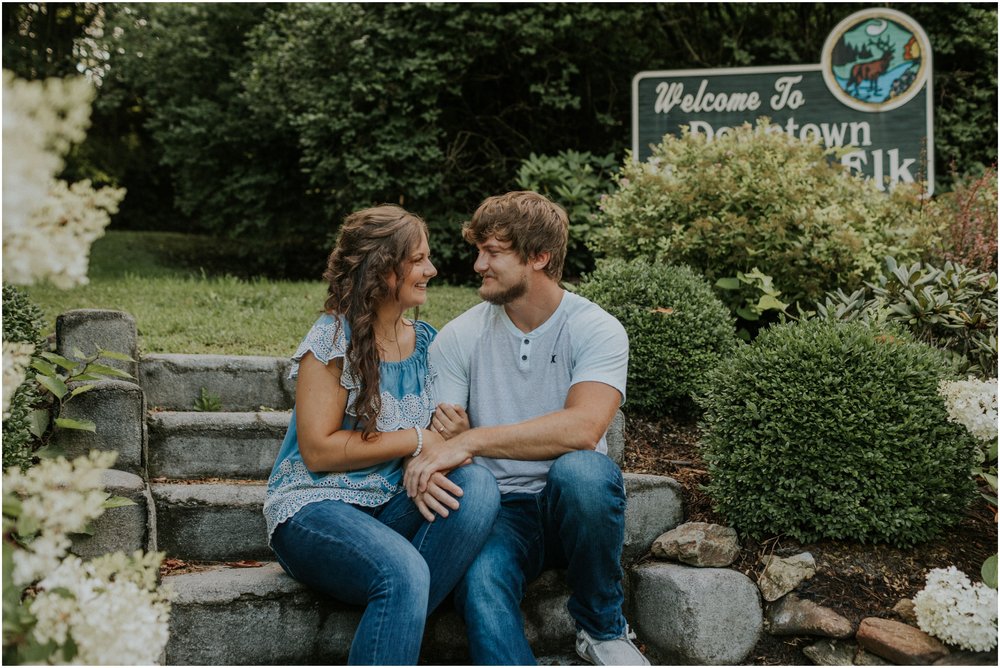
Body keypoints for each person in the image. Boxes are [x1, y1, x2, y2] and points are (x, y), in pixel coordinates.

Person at [407, 191, 649, 666]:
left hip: (574, 507)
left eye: (493, 252)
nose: (478, 264)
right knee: (480, 585)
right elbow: (441, 443)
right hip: (500, 508)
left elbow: (583, 428)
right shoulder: (459, 336)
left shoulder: (596, 328)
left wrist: (473, 437)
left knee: (583, 471)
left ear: (540, 257)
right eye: (479, 250)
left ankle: (602, 628)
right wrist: (456, 442)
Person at [263, 205, 500, 665]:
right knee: (405, 570)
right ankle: (397, 590)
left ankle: (394, 602)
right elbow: (317, 451)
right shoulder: (333, 338)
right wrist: (415, 440)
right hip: (315, 508)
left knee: (479, 487)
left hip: (391, 507)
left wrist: (454, 437)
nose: (431, 270)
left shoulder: (431, 343)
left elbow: (440, 440)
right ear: (381, 266)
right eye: (418, 260)